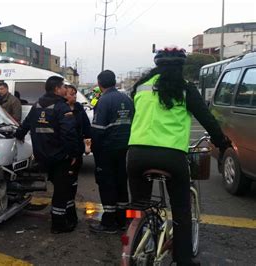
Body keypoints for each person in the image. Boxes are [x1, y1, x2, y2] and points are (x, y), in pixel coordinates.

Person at [127, 47, 231, 266]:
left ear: (157, 65)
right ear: (180, 67)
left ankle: (140, 238)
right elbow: (207, 119)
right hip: (171, 156)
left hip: (136, 155)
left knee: (138, 206)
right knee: (182, 212)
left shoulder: (140, 87)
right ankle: (183, 260)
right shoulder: (185, 88)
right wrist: (222, 143)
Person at [15, 76, 79, 234]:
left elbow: (25, 126)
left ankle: (71, 217)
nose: (65, 89)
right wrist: (73, 154)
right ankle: (58, 224)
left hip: (42, 156)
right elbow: (69, 133)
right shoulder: (61, 107)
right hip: (60, 157)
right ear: (57, 89)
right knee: (62, 190)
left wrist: (18, 136)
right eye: (63, 86)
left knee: (61, 188)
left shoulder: (36, 105)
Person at [89, 70, 134, 234]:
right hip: (124, 149)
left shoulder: (103, 101)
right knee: (121, 182)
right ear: (114, 82)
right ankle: (122, 220)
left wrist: (94, 150)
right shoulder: (127, 100)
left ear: (100, 84)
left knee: (107, 184)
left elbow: (98, 130)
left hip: (107, 150)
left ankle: (108, 223)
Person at [64, 84, 91, 227]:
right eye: (70, 94)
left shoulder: (79, 109)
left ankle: (70, 210)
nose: (74, 96)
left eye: (75, 94)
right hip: (65, 152)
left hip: (77, 151)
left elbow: (86, 127)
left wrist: (87, 140)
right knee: (65, 184)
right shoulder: (60, 109)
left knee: (73, 183)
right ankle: (66, 213)